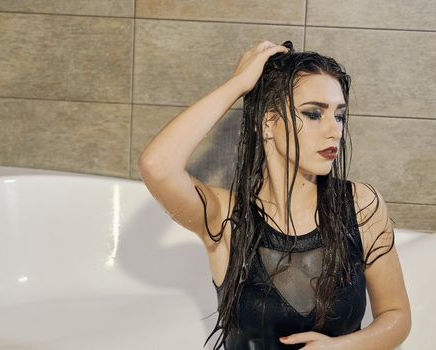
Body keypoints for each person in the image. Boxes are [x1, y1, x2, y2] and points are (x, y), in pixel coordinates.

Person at [138, 40, 411, 350]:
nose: (334, 131)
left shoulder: (360, 205)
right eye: (313, 114)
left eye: (339, 115)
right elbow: (157, 166)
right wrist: (239, 84)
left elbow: (397, 316)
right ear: (268, 122)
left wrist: (340, 348)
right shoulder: (227, 218)